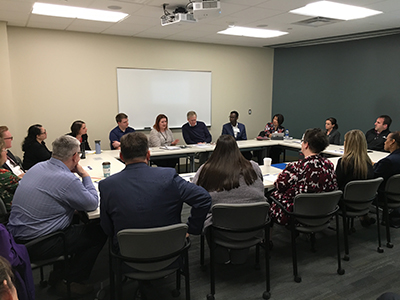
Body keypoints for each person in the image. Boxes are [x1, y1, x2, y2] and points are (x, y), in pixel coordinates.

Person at [7, 135, 107, 296]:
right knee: (99, 230)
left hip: (17, 237)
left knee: (76, 219)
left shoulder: (38, 167)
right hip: (40, 242)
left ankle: (59, 274)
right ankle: (72, 280)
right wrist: (85, 176)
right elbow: (92, 204)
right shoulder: (66, 179)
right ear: (75, 156)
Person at [99, 132, 211, 249]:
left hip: (128, 254)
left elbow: (107, 228)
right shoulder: (168, 176)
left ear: (121, 157)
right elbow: (203, 198)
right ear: (148, 155)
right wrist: (191, 228)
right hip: (170, 250)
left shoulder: (107, 185)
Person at [192, 135, 265, 264]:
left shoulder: (206, 169)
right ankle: (240, 255)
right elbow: (261, 186)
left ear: (216, 150)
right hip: (253, 225)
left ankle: (222, 256)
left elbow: (195, 193)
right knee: (245, 211)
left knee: (206, 213)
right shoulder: (253, 166)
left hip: (220, 229)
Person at [269, 128, 337, 226]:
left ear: (306, 144)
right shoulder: (329, 165)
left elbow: (279, 186)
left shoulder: (296, 167)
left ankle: (268, 239)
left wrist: (281, 177)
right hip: (324, 212)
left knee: (270, 197)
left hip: (296, 215)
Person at [335, 129, 374, 227]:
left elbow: (337, 183)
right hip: (365, 202)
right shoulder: (368, 163)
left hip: (345, 203)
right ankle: (363, 217)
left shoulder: (344, 162)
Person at [0, 138, 20, 212]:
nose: (6, 153)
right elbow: (26, 187)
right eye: (4, 150)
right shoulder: (3, 174)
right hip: (14, 211)